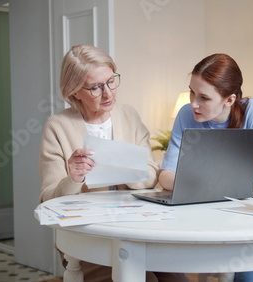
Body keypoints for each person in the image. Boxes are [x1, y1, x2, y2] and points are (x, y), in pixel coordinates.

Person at [39, 44, 189, 282]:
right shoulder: (57, 126)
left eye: (111, 81)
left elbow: (152, 173)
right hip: (88, 236)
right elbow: (49, 198)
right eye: (95, 87)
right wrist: (73, 178)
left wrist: (130, 169)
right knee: (145, 279)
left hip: (138, 228)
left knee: (177, 280)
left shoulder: (129, 115)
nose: (108, 93)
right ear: (75, 91)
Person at [159, 53, 253, 282]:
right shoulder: (186, 115)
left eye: (204, 97)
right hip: (206, 217)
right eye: (192, 92)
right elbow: (165, 177)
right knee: (248, 278)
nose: (194, 103)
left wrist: (197, 182)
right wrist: (216, 184)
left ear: (229, 100)